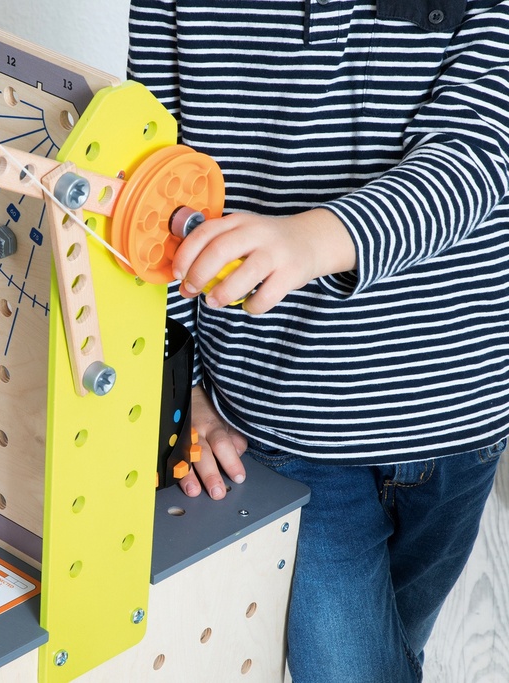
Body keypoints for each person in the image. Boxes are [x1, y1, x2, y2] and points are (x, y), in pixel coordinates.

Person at [127, 1, 509, 681]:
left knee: (397, 638)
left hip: (459, 414)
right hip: (282, 421)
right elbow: (152, 188)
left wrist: (315, 239)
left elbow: (480, 149)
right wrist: (185, 385)